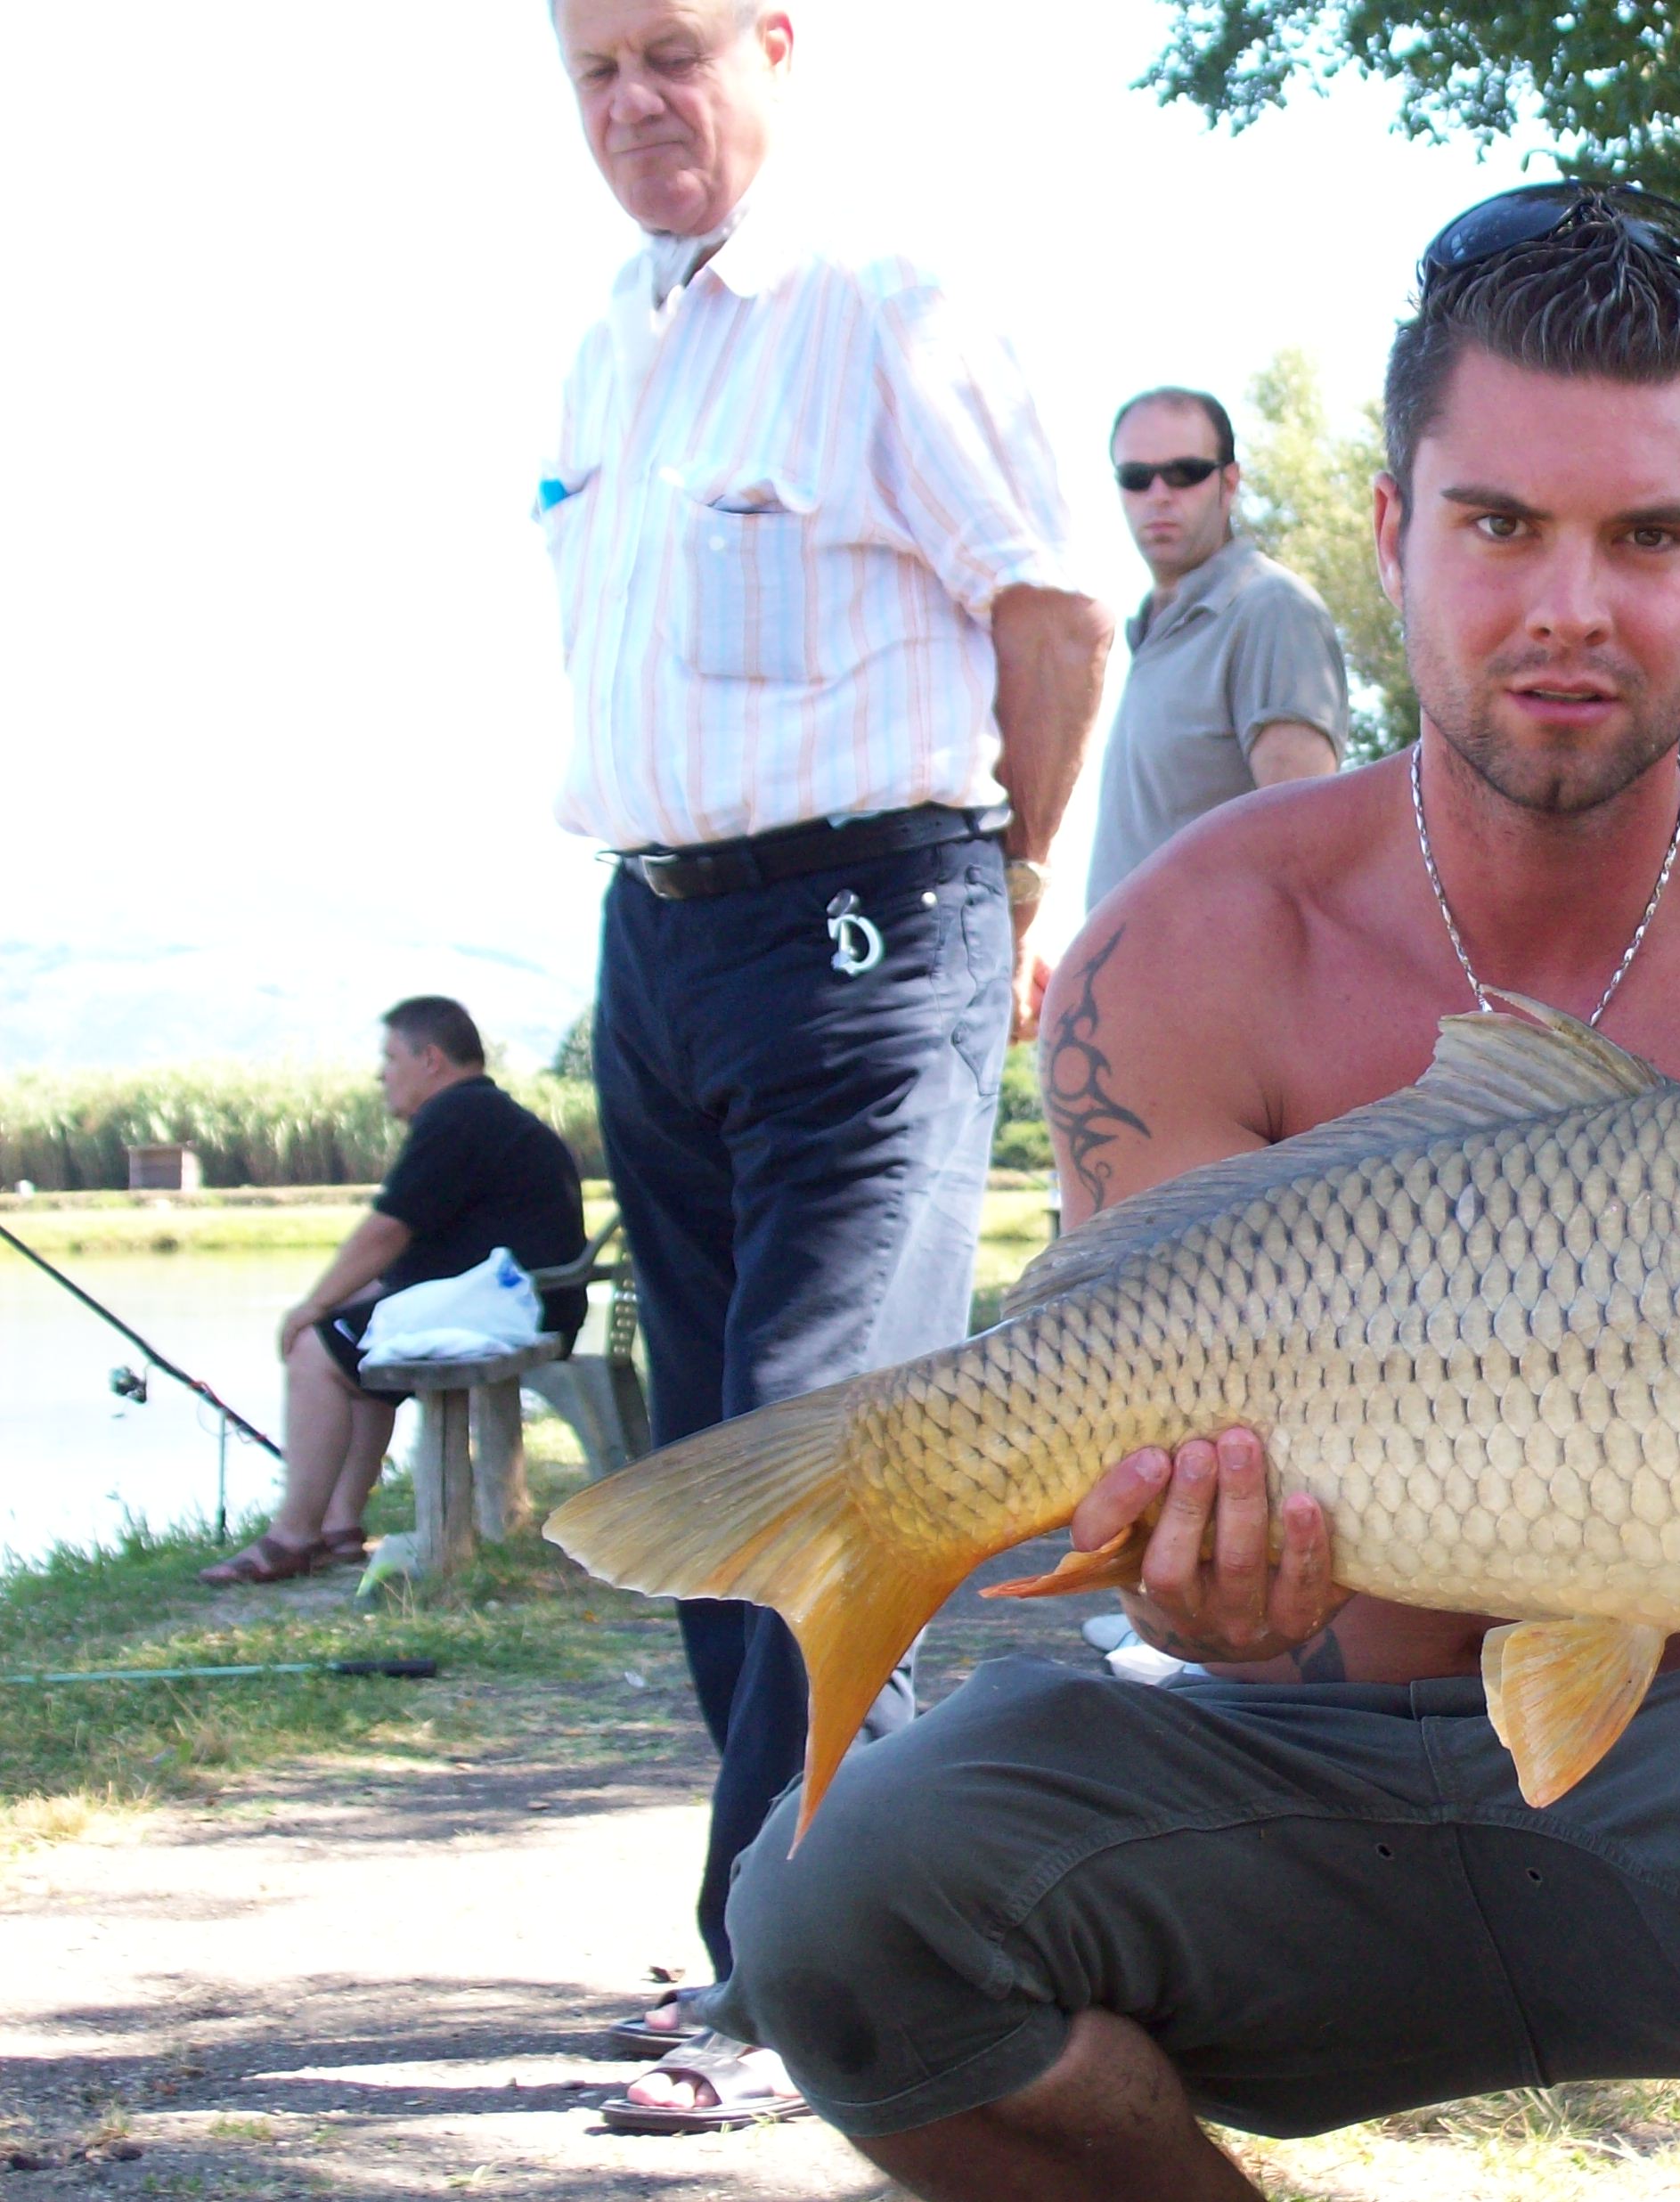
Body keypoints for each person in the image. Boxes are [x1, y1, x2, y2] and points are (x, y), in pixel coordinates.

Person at [705, 184, 1680, 2199]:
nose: (1569, 605)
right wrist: (1183, 1580)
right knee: (828, 1906)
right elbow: (1174, 1537)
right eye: (1499, 524)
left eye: (1647, 536)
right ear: (1395, 531)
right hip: (1266, 1767)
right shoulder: (1186, 947)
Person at [540, 0, 1113, 2128]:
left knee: (822, 1442)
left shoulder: (884, 309)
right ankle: (772, 1926)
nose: (634, 104)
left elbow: (1054, 617)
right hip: (659, 936)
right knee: (711, 1452)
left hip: (875, 916)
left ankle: (810, 1986)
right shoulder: (610, 343)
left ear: (776, 44)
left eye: (672, 53)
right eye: (593, 70)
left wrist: (1023, 886)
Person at [202, 1000, 583, 1586]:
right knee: (353, 1352)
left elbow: (387, 1230)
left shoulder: (455, 1116)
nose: (381, 1074)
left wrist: (313, 1307)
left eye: (390, 1058)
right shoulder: (485, 1114)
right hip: (529, 1302)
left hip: (511, 1310)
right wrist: (341, 1307)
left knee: (315, 1351)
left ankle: (292, 1537)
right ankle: (339, 1528)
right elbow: (412, 1259)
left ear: (430, 1060)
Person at [1081, 387, 1350, 906]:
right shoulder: (1151, 635)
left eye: (1184, 473)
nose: (1159, 494)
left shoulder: (1270, 609)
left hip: (1223, 960)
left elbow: (1305, 850)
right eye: (1136, 477)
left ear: (1229, 483)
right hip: (1124, 959)